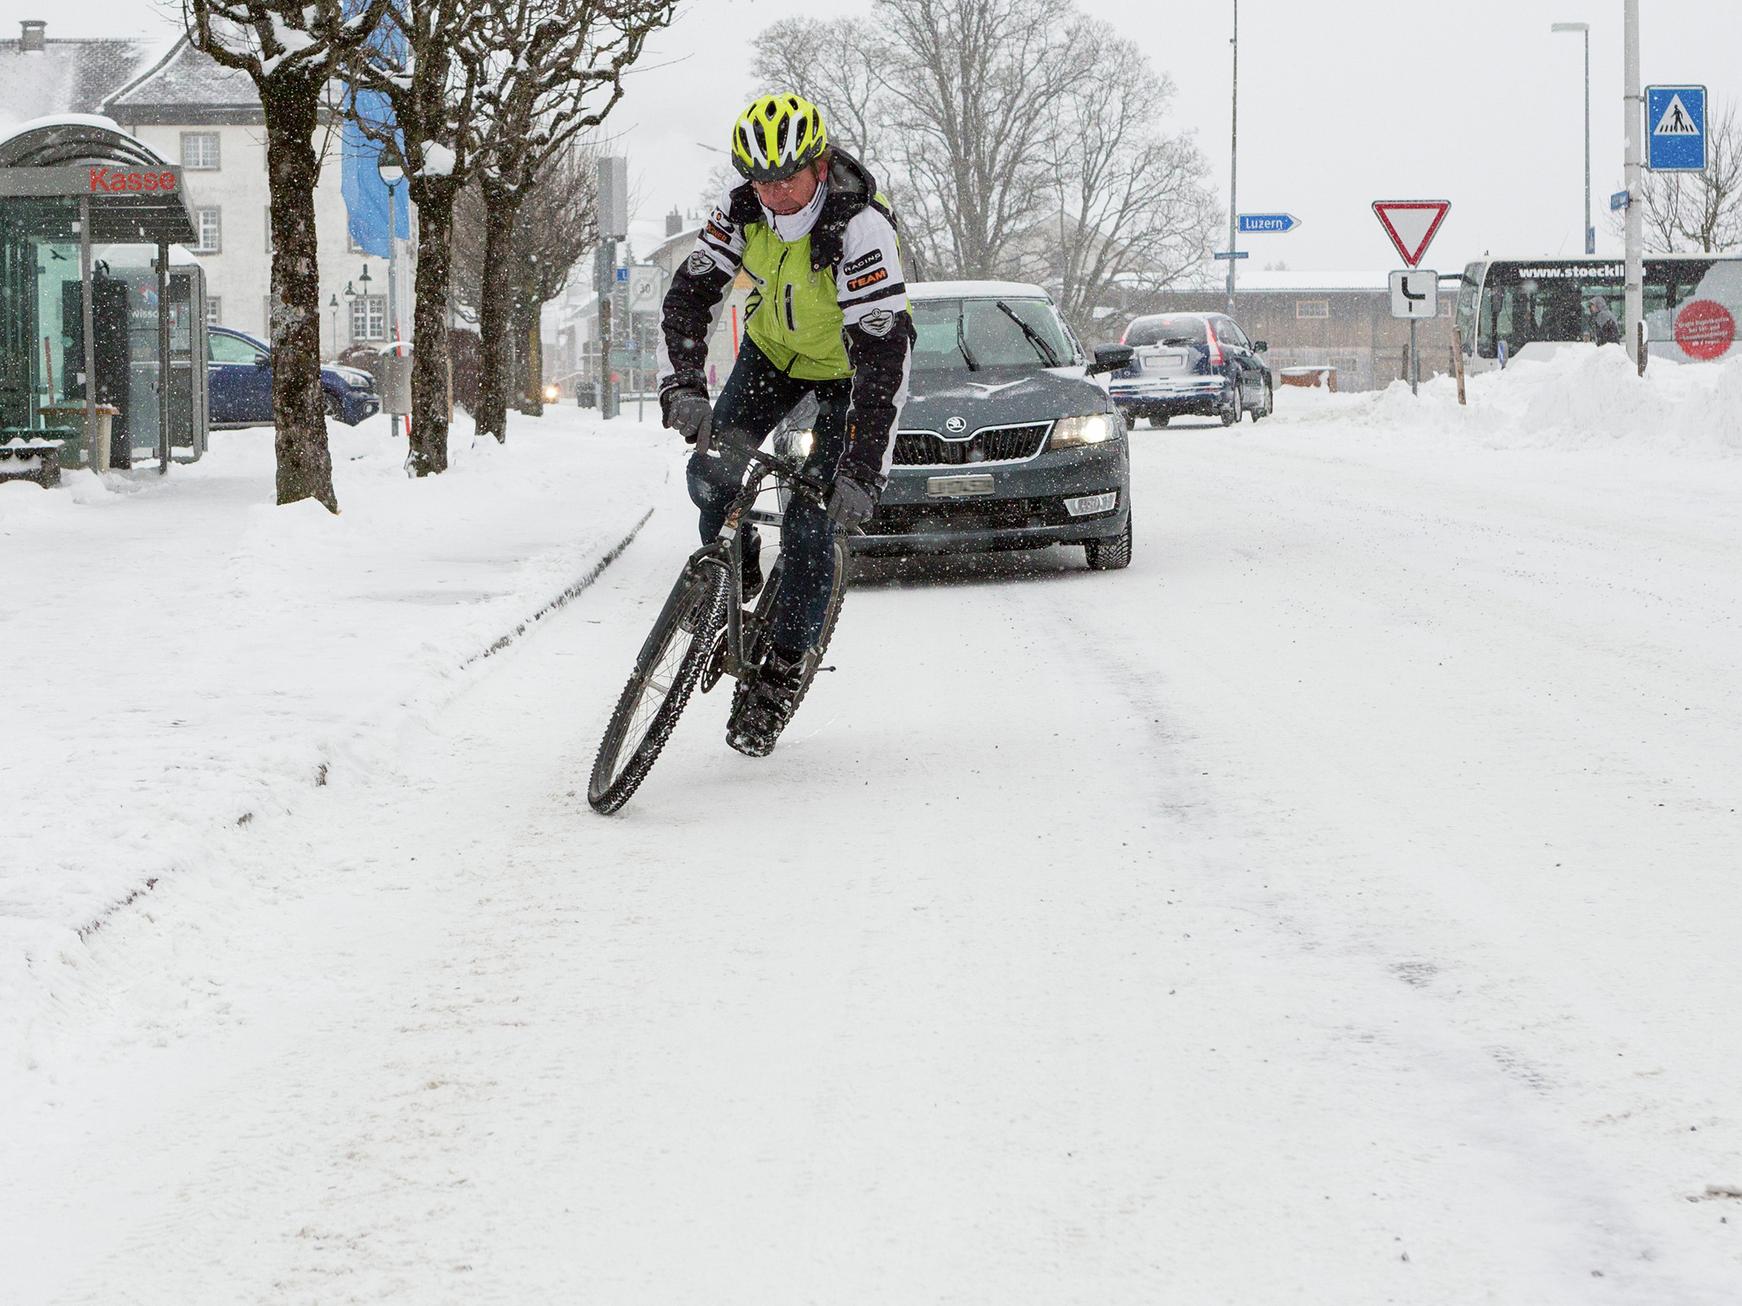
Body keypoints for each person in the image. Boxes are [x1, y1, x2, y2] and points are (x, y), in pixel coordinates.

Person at [656, 93, 912, 757]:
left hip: (846, 376)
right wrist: (682, 384)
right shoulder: (743, 210)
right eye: (762, 180)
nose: (775, 194)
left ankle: (779, 671)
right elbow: (689, 297)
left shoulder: (860, 230)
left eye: (788, 178)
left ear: (819, 166)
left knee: (808, 527)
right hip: (772, 357)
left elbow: (885, 359)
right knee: (711, 474)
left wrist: (863, 469)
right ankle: (730, 574)